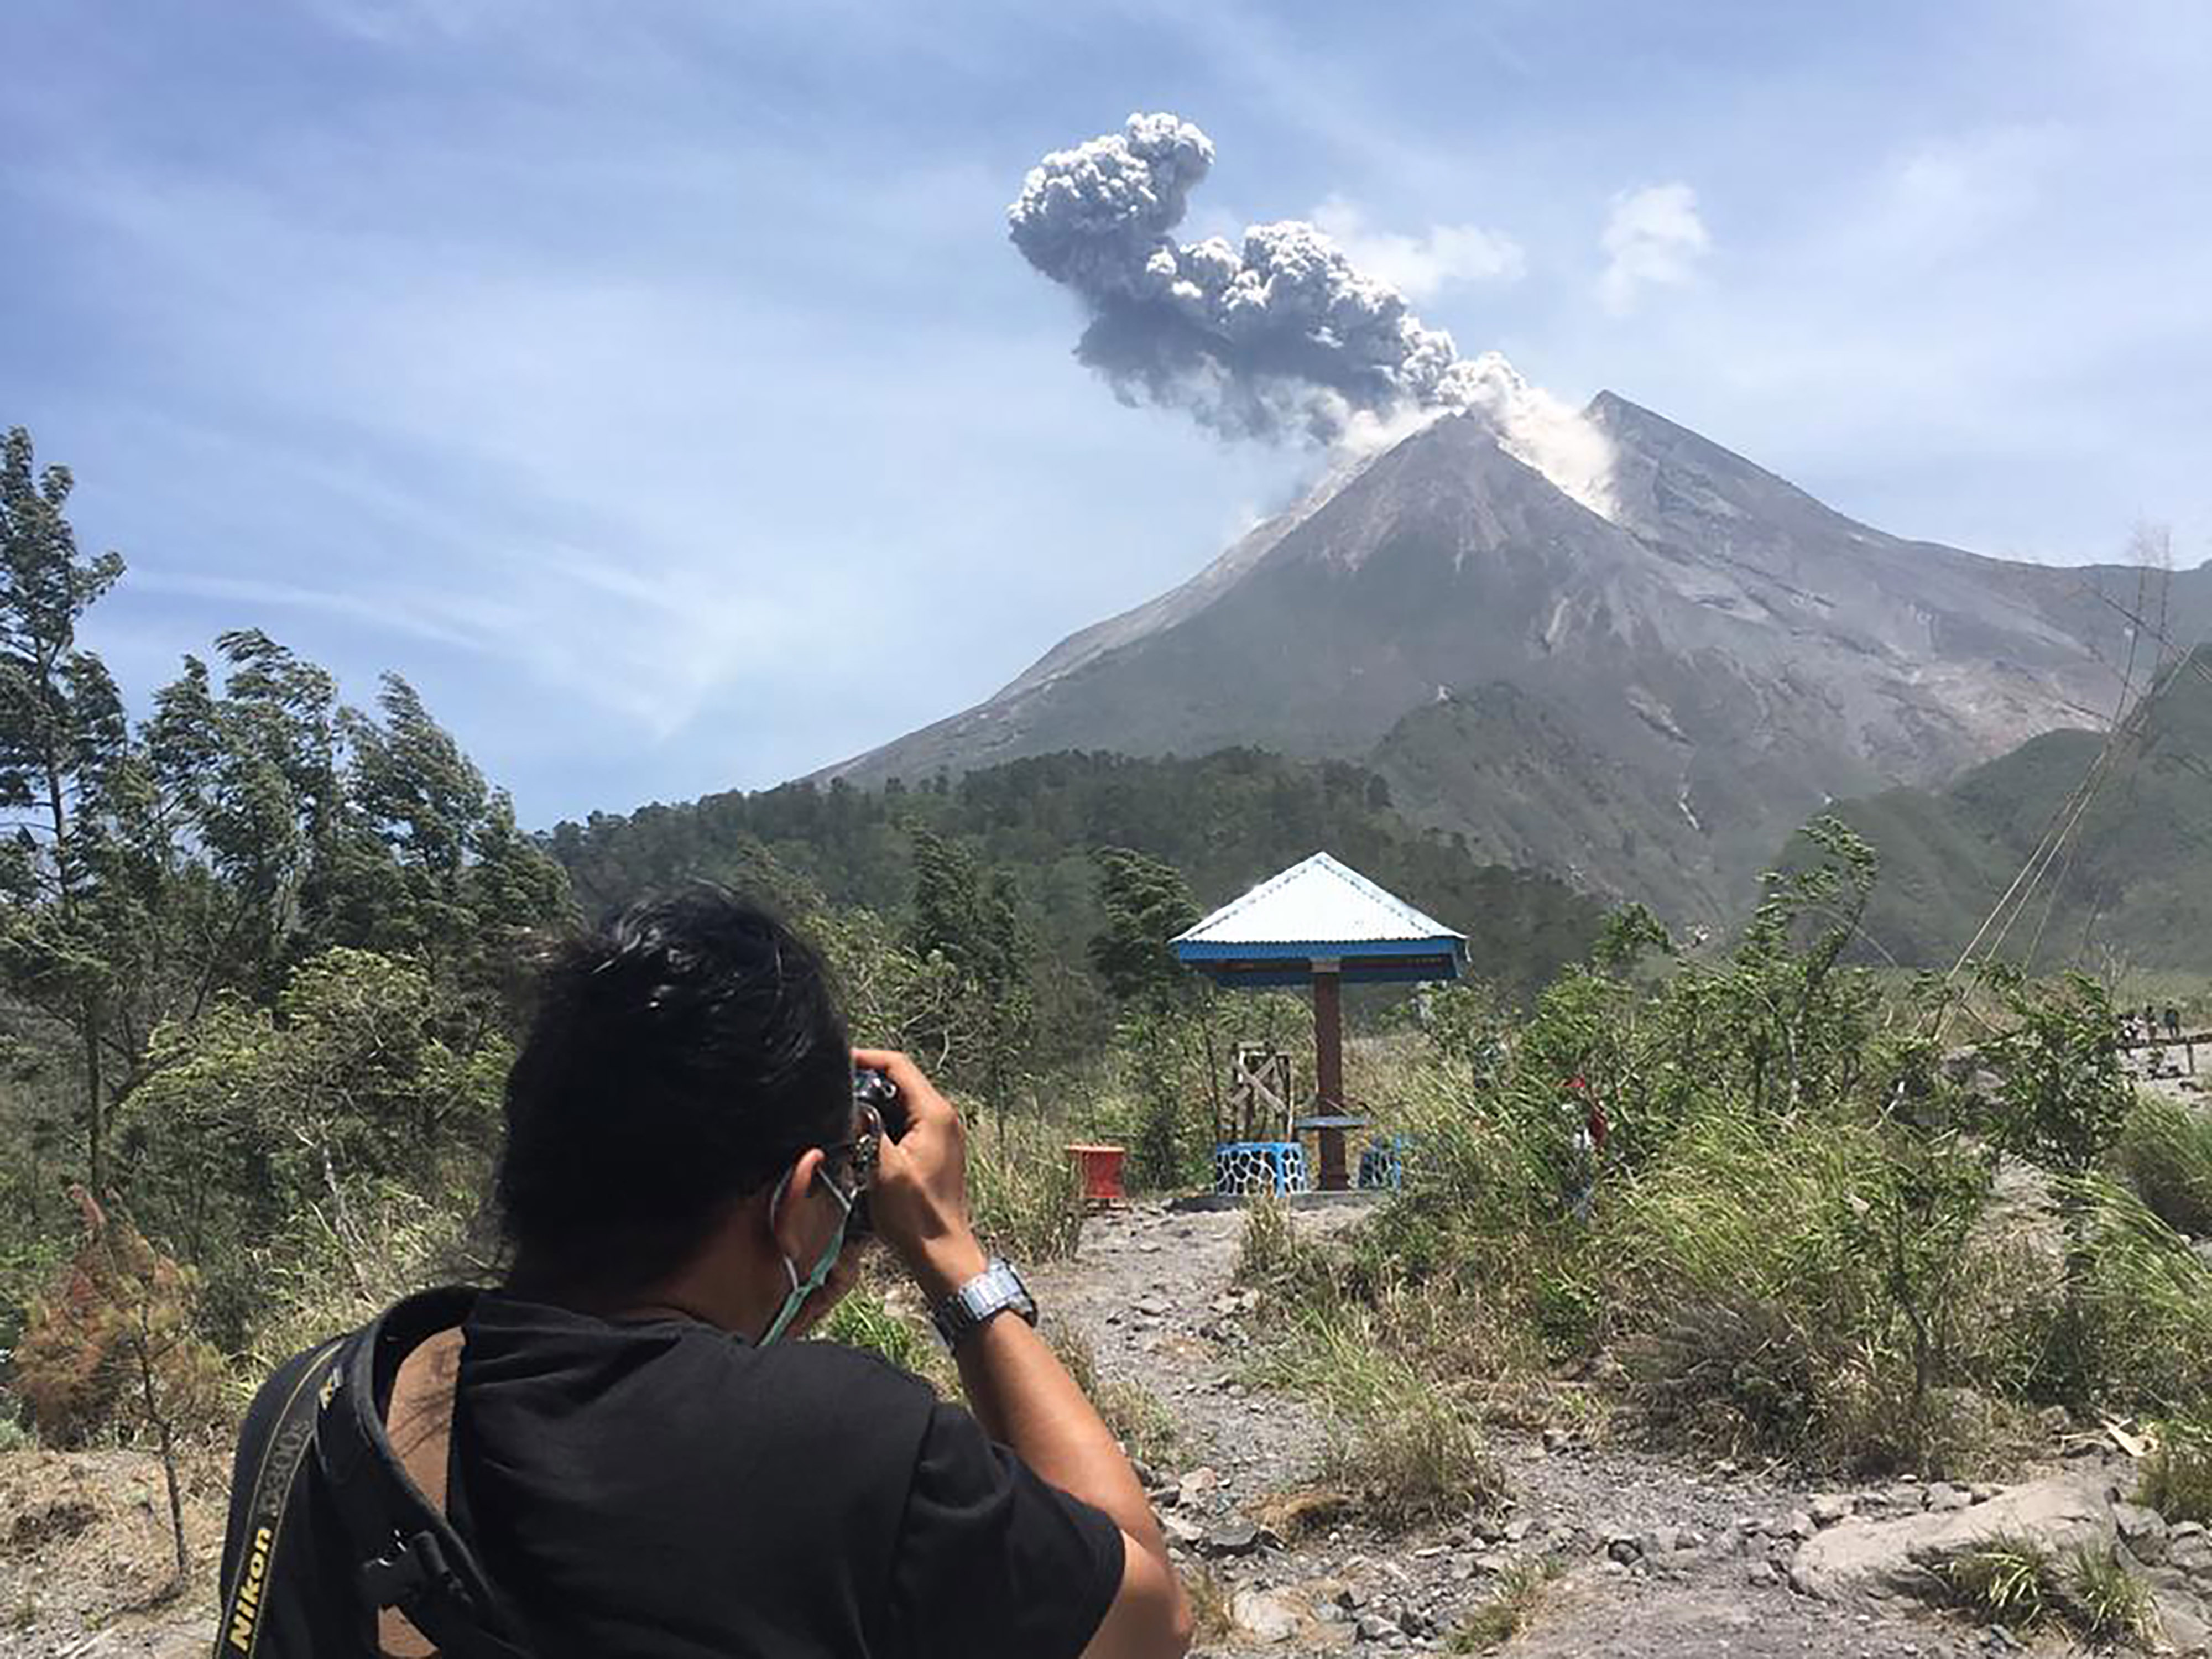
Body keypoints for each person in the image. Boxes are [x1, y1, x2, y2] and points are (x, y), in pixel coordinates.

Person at [217, 889, 1191, 1659]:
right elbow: (1146, 1614)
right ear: (800, 1191)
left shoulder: (324, 1402)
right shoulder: (853, 1451)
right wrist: (947, 1250)